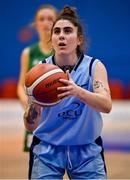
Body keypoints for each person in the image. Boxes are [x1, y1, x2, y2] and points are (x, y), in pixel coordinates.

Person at [24, 6, 112, 179]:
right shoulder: (39, 72)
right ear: (52, 39)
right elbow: (30, 126)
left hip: (86, 151)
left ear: (79, 39)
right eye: (56, 31)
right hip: (47, 149)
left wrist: (77, 91)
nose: (61, 35)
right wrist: (34, 107)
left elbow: (106, 105)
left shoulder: (94, 66)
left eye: (67, 31)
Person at [17, 4, 58, 152]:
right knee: (36, 167)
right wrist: (30, 108)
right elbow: (21, 85)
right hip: (36, 117)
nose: (46, 22)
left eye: (50, 19)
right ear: (36, 24)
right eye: (41, 19)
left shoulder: (63, 52)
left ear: (57, 23)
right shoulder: (28, 52)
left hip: (58, 118)